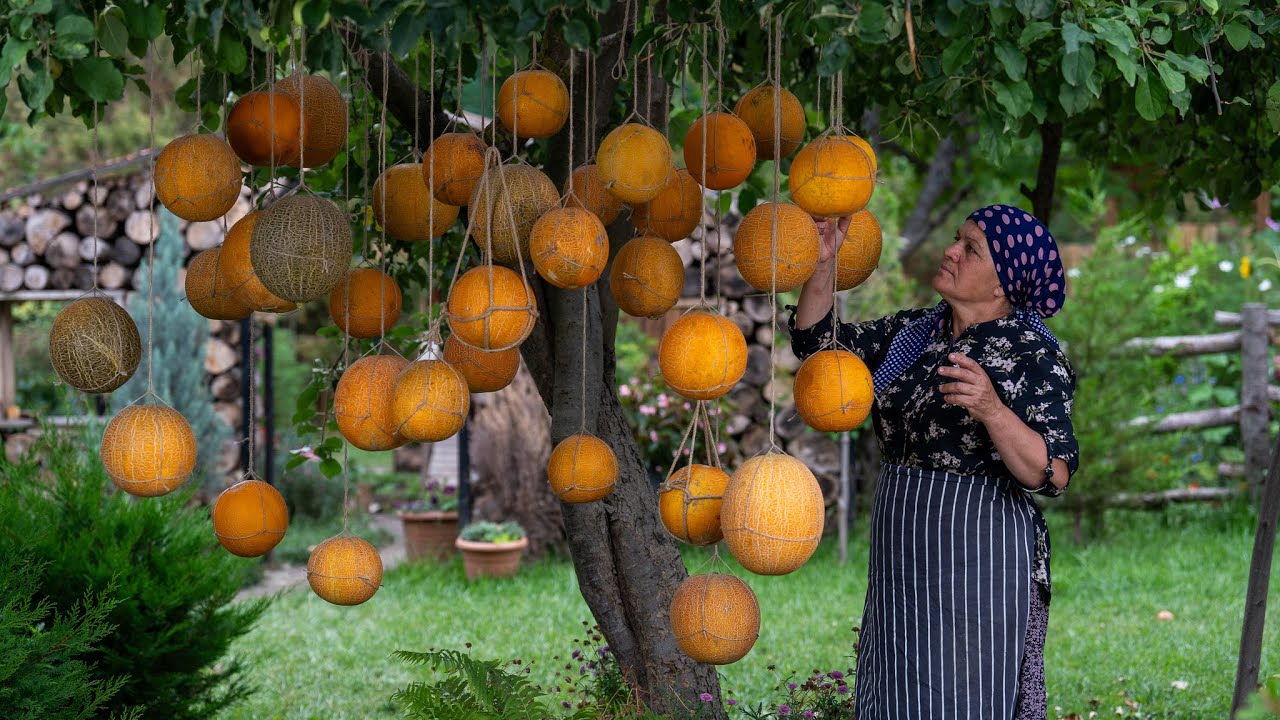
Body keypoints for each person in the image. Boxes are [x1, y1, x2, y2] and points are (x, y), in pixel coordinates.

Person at [788, 204, 1079, 720]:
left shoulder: (1031, 352)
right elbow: (820, 349)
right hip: (903, 548)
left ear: (1003, 284)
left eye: (971, 249)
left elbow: (1052, 471)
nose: (950, 251)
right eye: (955, 238)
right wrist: (823, 266)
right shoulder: (914, 334)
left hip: (978, 561)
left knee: (962, 693)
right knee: (894, 692)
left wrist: (991, 409)